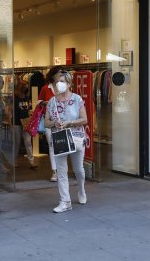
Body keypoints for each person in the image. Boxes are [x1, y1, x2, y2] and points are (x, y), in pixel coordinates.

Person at [44, 71, 88, 213]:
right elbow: (46, 122)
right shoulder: (52, 101)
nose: (59, 84)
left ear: (69, 84)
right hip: (60, 138)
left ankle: (81, 190)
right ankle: (65, 201)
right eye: (58, 81)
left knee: (78, 170)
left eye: (62, 81)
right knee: (61, 171)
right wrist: (54, 124)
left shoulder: (77, 99)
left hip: (75, 137)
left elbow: (84, 119)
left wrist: (70, 122)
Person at [38, 66, 63, 182]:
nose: (60, 75)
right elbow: (38, 102)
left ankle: (61, 169)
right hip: (49, 121)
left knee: (61, 144)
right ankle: (54, 171)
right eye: (58, 73)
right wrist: (45, 103)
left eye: (61, 73)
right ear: (53, 75)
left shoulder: (63, 87)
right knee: (52, 145)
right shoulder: (45, 88)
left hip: (62, 120)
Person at [13, 78, 36, 168]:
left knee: (28, 141)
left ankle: (31, 161)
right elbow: (11, 111)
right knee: (17, 142)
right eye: (25, 87)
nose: (27, 88)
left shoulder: (26, 97)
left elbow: (28, 108)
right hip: (17, 122)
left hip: (26, 122)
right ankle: (14, 161)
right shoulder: (15, 98)